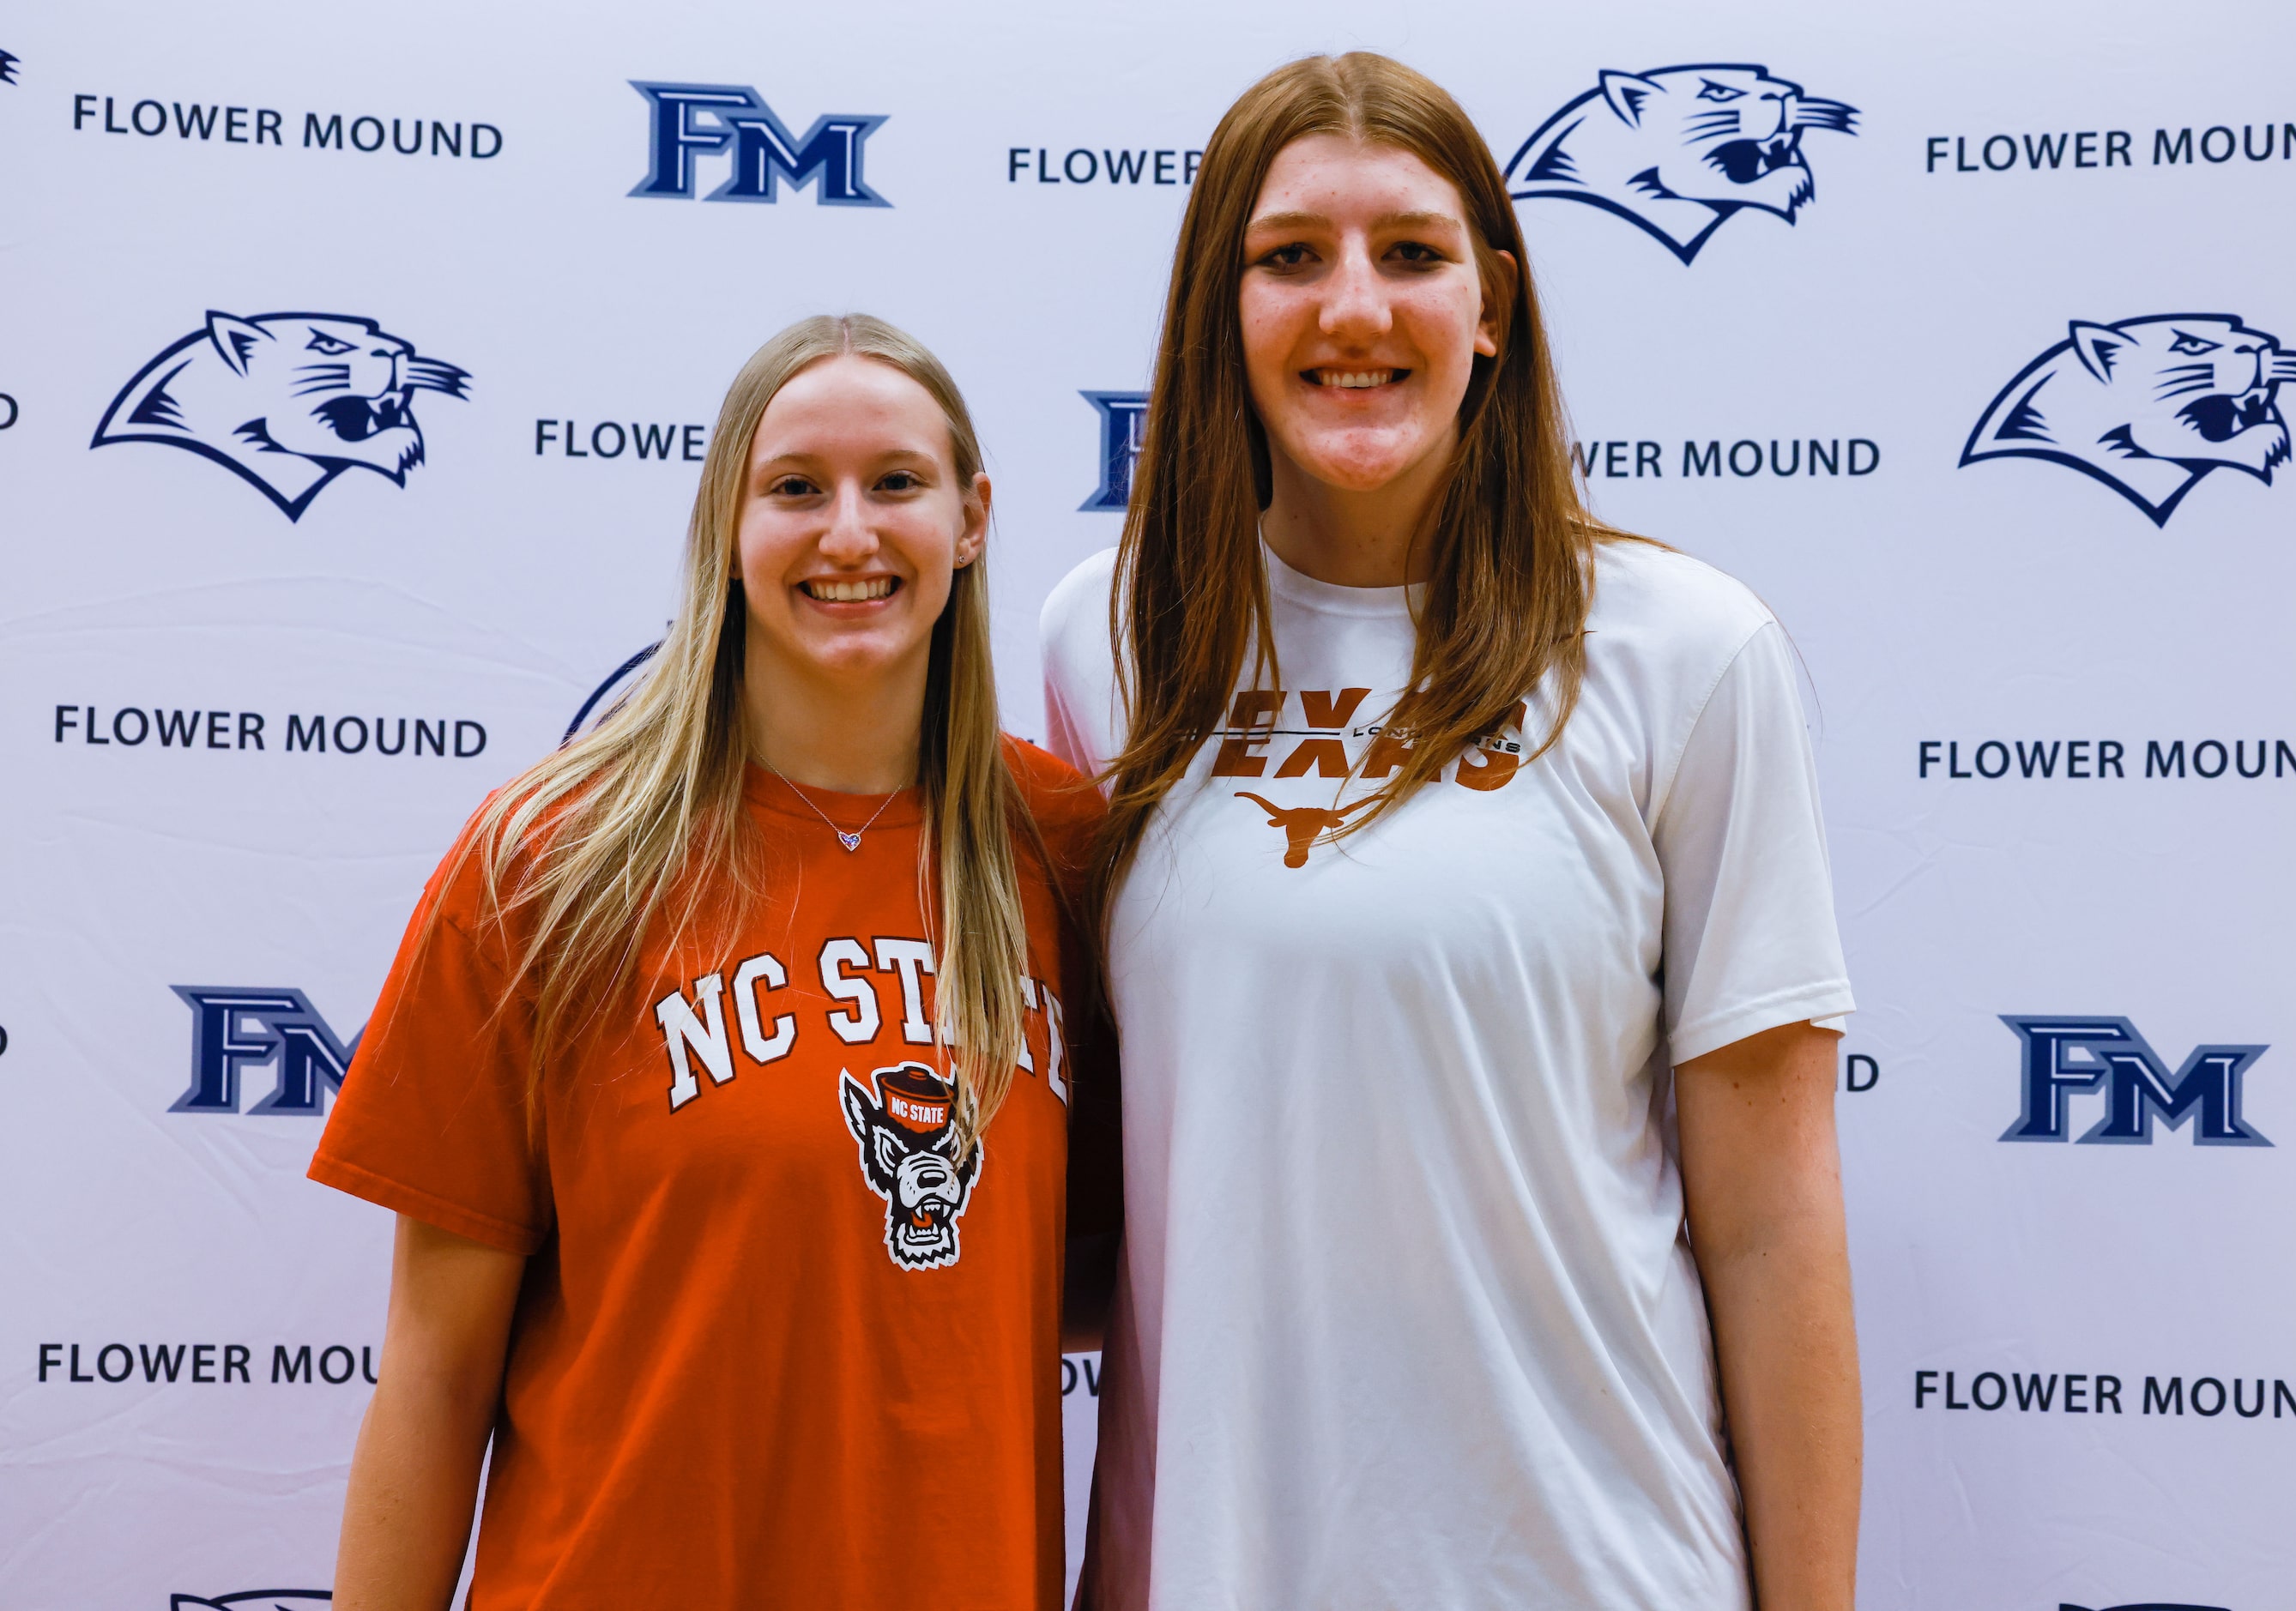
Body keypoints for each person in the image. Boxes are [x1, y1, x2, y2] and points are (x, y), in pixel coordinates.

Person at [1042, 54, 1860, 1611]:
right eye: (1290, 256)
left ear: (1490, 302)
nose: (1353, 308)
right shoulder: (1109, 640)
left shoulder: (1683, 650)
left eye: (1409, 253)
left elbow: (1771, 1226)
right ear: (1220, 304)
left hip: (1589, 1565)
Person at [312, 314, 1111, 1610]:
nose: (847, 532)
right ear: (725, 528)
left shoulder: (1068, 858)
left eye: (895, 482)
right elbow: (433, 1366)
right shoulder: (552, 865)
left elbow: (1105, 1277)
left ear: (969, 518)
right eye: (795, 487)